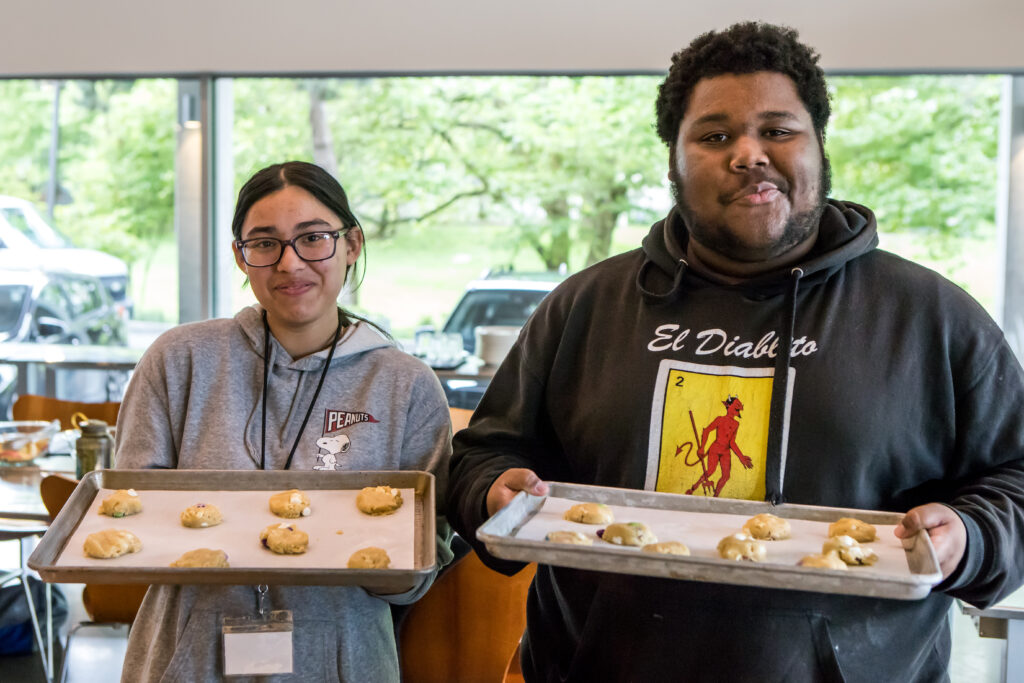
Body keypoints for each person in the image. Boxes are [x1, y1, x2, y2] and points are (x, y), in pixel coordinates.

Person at [447, 22, 1024, 682]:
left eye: (777, 130)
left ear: (819, 149)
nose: (749, 153)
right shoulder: (585, 306)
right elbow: (485, 453)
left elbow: (1015, 475)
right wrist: (494, 490)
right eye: (715, 135)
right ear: (674, 161)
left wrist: (971, 534)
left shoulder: (930, 318)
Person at [115, 161, 453, 681]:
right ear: (241, 256)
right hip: (188, 656)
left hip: (341, 660)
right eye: (265, 243)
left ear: (352, 244)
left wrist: (393, 564)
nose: (290, 264)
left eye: (313, 238)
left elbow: (420, 568)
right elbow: (129, 515)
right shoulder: (179, 360)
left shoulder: (404, 384)